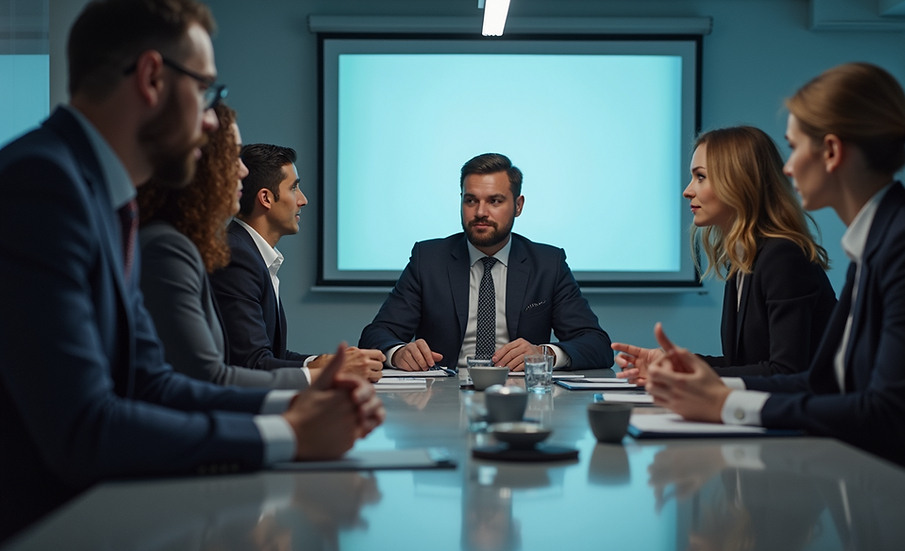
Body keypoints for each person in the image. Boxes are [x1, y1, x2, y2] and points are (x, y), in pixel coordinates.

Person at [0, 0, 383, 541]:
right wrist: (289, 435)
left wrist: (301, 401)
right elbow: (85, 428)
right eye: (207, 91)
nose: (210, 121)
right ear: (153, 77)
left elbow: (152, 383)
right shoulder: (43, 185)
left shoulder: (108, 198)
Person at [641, 62, 905, 497]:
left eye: (794, 147)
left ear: (833, 152)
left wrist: (725, 403)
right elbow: (822, 380)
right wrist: (706, 384)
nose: (786, 168)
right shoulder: (876, 242)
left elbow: (887, 414)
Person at [615, 127, 836, 382]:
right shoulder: (744, 256)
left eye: (700, 177)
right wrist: (673, 365)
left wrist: (684, 378)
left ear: (739, 183)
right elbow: (743, 365)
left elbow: (786, 371)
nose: (687, 191)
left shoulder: (782, 256)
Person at [359, 152, 612, 371]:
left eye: (494, 201)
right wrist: (398, 352)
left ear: (518, 206)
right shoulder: (428, 260)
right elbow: (375, 335)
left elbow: (596, 344)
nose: (480, 212)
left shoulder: (547, 264)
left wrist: (543, 354)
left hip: (519, 398)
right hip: (442, 398)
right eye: (471, 200)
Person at [138, 103, 313, 388]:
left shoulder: (196, 245)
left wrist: (318, 367)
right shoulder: (172, 248)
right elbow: (215, 375)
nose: (243, 171)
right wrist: (320, 378)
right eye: (232, 157)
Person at [209, 144, 385, 382]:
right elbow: (252, 364)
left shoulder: (249, 251)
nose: (303, 200)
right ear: (266, 198)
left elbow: (272, 355)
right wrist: (329, 373)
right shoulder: (238, 257)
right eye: (294, 188)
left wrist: (323, 362)